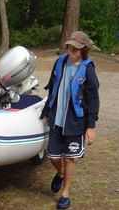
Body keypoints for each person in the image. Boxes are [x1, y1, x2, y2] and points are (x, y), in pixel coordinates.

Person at [41, 31, 99, 209]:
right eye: (70, 48)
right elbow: (52, 88)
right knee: (53, 157)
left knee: (69, 158)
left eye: (76, 49)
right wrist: (46, 111)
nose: (72, 52)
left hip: (75, 122)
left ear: (84, 50)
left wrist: (91, 126)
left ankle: (65, 193)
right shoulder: (60, 62)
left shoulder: (88, 68)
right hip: (56, 119)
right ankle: (60, 174)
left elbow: (93, 99)